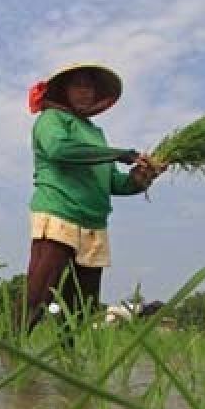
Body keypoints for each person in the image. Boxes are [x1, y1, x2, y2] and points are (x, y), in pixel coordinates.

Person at [20, 63, 165, 328]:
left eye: (91, 88)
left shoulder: (96, 135)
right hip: (59, 213)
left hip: (93, 224)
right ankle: (12, 346)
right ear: (65, 90)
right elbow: (58, 149)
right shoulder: (52, 118)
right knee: (40, 291)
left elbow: (115, 183)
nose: (86, 93)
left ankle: (70, 361)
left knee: (81, 304)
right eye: (80, 86)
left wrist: (143, 177)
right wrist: (118, 153)